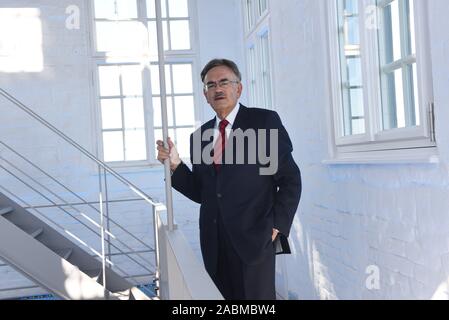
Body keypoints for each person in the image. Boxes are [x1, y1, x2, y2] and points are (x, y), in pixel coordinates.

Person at [156, 58, 301, 300]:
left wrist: (275, 226)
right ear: (205, 95)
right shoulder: (199, 136)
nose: (217, 89)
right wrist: (175, 165)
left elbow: (289, 179)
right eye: (210, 85)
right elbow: (202, 192)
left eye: (224, 82)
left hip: (255, 239)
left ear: (238, 88)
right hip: (214, 244)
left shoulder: (263, 123)